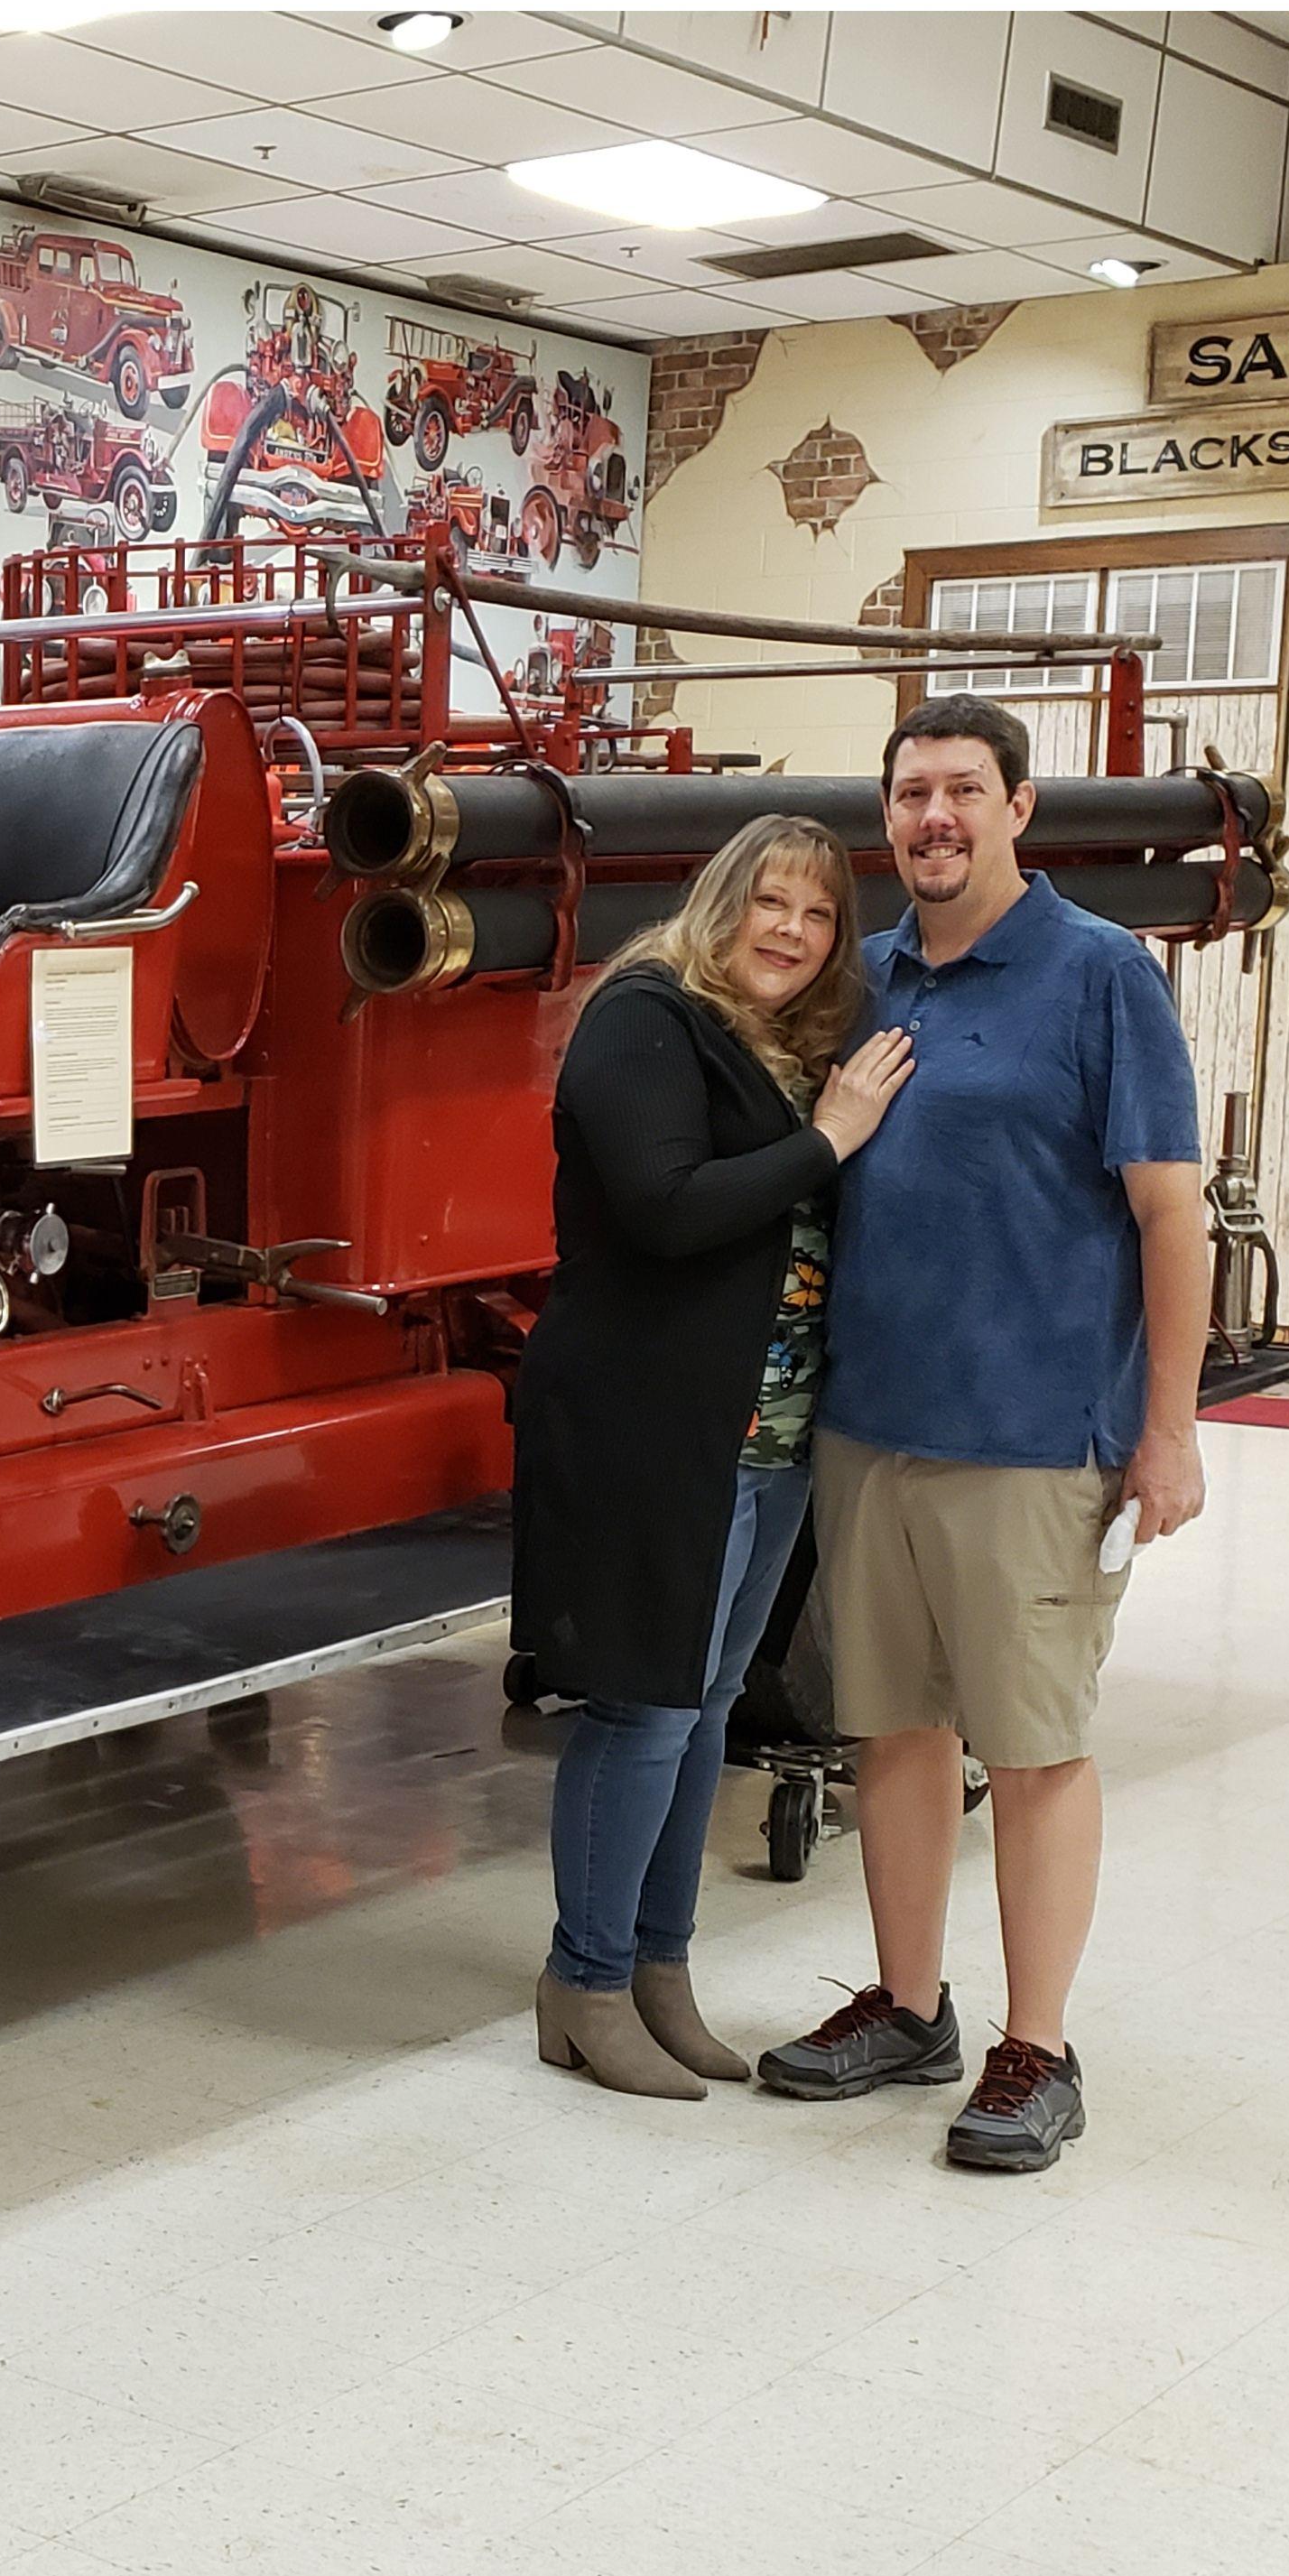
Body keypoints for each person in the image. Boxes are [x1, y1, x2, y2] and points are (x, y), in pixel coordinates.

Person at [755, 695, 1210, 2170]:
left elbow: (1169, 1214)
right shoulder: (867, 974)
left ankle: (1037, 2047)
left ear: (1019, 808)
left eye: (962, 791)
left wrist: (1172, 1432)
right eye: (909, 795)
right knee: (894, 1725)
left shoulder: (1098, 977)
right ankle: (905, 2006)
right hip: (871, 1422)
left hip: (1033, 1435)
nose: (933, 819)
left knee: (1031, 1746)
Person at [515, 819, 913, 2099]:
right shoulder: (646, 1017)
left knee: (702, 1715)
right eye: (772, 903)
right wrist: (829, 1141)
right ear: (721, 901)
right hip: (656, 1429)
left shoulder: (787, 1050)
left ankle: (658, 1966)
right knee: (642, 1708)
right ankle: (582, 1981)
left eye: (818, 916)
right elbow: (668, 1207)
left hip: (771, 1432)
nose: (792, 931)